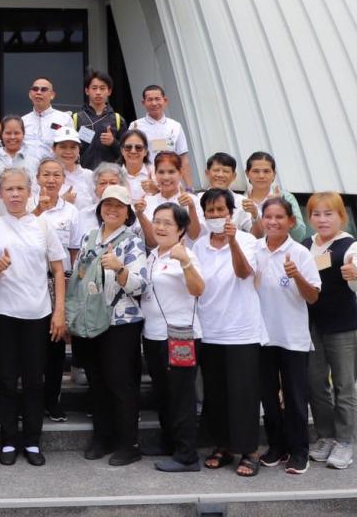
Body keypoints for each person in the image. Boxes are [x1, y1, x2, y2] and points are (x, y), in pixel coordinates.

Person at [0, 167, 67, 467]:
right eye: (9, 189)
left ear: (30, 192)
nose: (15, 194)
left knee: (33, 380)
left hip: (37, 313)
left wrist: (59, 311)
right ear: (1, 194)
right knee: (6, 379)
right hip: (2, 312)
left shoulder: (42, 225)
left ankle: (32, 440)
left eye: (20, 189)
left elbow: (58, 269)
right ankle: (8, 440)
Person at [66, 185, 146, 466]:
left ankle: (129, 443)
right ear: (100, 208)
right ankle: (103, 436)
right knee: (97, 382)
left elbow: (140, 285)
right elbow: (78, 277)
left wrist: (119, 268)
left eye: (119, 206)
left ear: (127, 212)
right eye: (107, 204)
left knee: (120, 383)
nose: (112, 209)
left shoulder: (132, 242)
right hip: (89, 320)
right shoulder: (89, 236)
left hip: (120, 322)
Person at [192, 189, 263, 477]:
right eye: (210, 211)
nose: (215, 216)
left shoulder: (247, 240)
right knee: (216, 393)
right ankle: (221, 446)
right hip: (210, 329)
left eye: (220, 210)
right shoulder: (199, 245)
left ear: (231, 213)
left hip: (241, 330)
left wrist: (232, 241)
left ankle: (249, 451)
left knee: (243, 393)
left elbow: (244, 272)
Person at [256, 197, 322, 475]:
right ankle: (277, 446)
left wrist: (296, 276)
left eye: (279, 217)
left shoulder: (300, 253)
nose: (273, 222)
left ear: (291, 221)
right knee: (268, 396)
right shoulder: (254, 249)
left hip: (292, 337)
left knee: (295, 397)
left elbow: (313, 296)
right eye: (268, 216)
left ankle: (299, 451)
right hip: (262, 336)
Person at [138, 203, 204, 472]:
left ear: (181, 230)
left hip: (180, 336)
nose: (160, 227)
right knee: (164, 393)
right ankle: (169, 442)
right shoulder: (152, 255)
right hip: (153, 335)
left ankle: (188, 456)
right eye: (157, 221)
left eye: (168, 223)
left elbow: (198, 289)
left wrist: (185, 262)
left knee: (181, 396)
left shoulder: (185, 255)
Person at [305, 191, 357, 471]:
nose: (322, 219)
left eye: (328, 213)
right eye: (316, 214)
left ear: (341, 216)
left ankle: (344, 441)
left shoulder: (350, 246)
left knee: (344, 385)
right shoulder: (306, 245)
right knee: (316, 384)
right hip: (311, 326)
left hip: (342, 325)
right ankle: (325, 436)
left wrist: (355, 274)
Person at [33, 158, 80, 423]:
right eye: (45, 175)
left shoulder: (71, 211)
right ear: (37, 178)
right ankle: (31, 400)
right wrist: (39, 209)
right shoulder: (26, 205)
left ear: (63, 180)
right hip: (30, 281)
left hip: (59, 281)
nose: (51, 180)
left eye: (56, 175)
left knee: (56, 343)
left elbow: (74, 253)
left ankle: (52, 399)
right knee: (32, 344)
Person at [128, 85, 192, 189]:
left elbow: (183, 157)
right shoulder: (135, 126)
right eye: (150, 100)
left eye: (157, 99)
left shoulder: (175, 126)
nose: (154, 103)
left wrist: (189, 187)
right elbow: (130, 156)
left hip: (171, 180)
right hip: (146, 181)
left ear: (165, 100)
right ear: (143, 103)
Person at [136, 151, 202, 249]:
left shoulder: (192, 200)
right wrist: (140, 215)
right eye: (161, 172)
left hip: (185, 256)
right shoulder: (147, 202)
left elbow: (194, 235)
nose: (166, 177)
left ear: (180, 173)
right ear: (155, 174)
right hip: (157, 257)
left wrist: (191, 207)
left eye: (171, 172)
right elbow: (152, 243)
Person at [243, 152, 307, 242]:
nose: (261, 176)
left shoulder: (286, 197)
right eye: (256, 171)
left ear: (274, 174)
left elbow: (299, 235)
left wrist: (283, 207)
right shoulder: (240, 200)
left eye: (266, 171)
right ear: (247, 173)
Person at [74, 70, 126, 170]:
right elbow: (69, 150)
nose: (98, 92)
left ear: (109, 91)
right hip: (83, 173)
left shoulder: (118, 119)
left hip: (110, 174)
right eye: (94, 88)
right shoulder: (76, 118)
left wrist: (113, 142)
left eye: (102, 88)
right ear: (87, 91)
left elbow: (127, 152)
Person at [204, 153, 252, 231]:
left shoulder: (242, 201)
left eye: (226, 171)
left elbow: (257, 233)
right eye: (216, 170)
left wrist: (255, 215)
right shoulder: (196, 200)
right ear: (207, 173)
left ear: (233, 176)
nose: (220, 175)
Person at [51, 126, 95, 210]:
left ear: (79, 150)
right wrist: (61, 201)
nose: (68, 152)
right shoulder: (46, 176)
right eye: (63, 147)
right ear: (54, 148)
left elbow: (99, 205)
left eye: (73, 147)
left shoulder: (89, 176)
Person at [118, 128, 155, 201]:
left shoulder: (157, 173)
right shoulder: (114, 175)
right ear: (122, 151)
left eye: (138, 147)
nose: (133, 151)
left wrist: (156, 191)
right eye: (128, 147)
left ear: (145, 152)